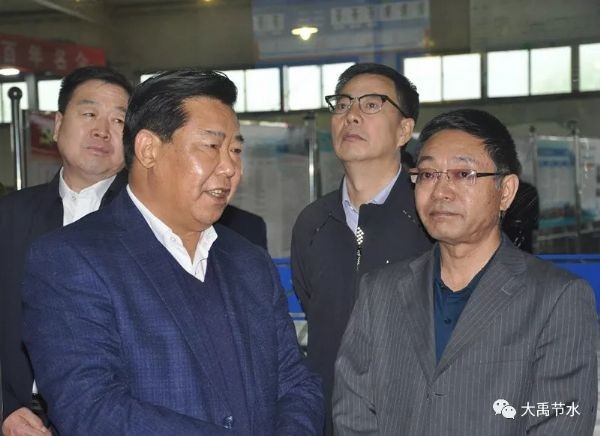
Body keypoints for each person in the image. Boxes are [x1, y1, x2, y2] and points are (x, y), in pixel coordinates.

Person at [21, 69, 323, 435]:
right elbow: (91, 407)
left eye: (236, 150)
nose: (230, 168)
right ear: (149, 150)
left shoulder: (248, 261)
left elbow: (295, 382)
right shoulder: (71, 259)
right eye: (211, 147)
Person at [333, 109, 598, 435]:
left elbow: (560, 421)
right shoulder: (380, 291)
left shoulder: (556, 299)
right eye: (428, 174)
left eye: (463, 174)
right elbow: (353, 413)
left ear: (506, 191)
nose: (441, 191)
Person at [291, 62, 431, 434]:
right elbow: (313, 309)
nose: (351, 115)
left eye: (371, 105)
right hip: (330, 421)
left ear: (404, 130)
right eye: (342, 104)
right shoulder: (312, 223)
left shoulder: (431, 216)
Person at [0, 65, 132, 435]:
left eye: (119, 121)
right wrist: (5, 409)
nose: (102, 130)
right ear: (58, 125)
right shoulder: (8, 217)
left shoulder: (152, 225)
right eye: (89, 114)